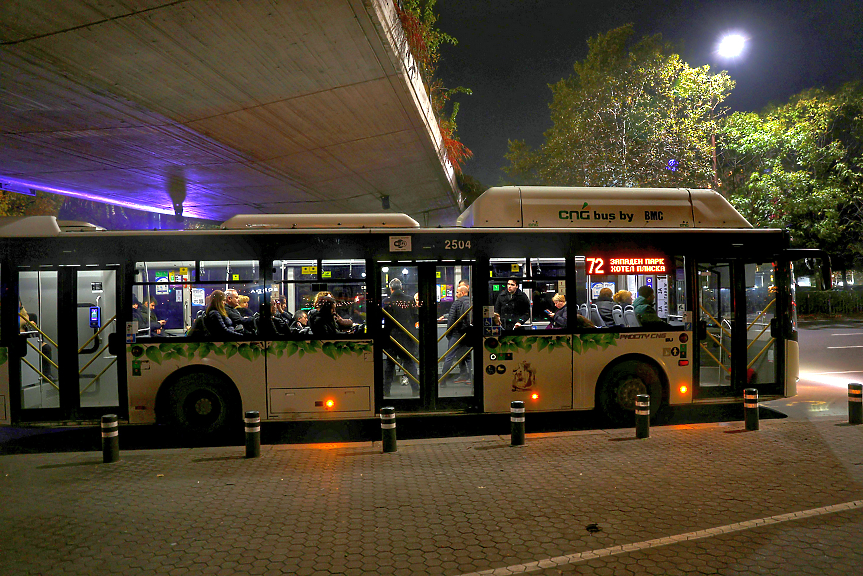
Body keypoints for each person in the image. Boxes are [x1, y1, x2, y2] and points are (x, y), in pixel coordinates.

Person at [382, 278, 418, 396]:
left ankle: (386, 390)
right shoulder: (409, 300)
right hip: (407, 336)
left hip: (392, 337)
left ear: (391, 289)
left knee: (390, 364)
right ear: (401, 288)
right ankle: (415, 389)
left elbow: (383, 319)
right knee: (409, 363)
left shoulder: (387, 301)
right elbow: (415, 316)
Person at [441, 283, 472, 384]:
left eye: (458, 292)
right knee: (468, 358)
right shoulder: (471, 302)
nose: (456, 294)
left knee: (449, 357)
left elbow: (451, 320)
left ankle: (443, 380)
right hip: (468, 334)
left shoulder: (457, 303)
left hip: (456, 334)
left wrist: (448, 333)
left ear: (463, 293)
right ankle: (472, 379)